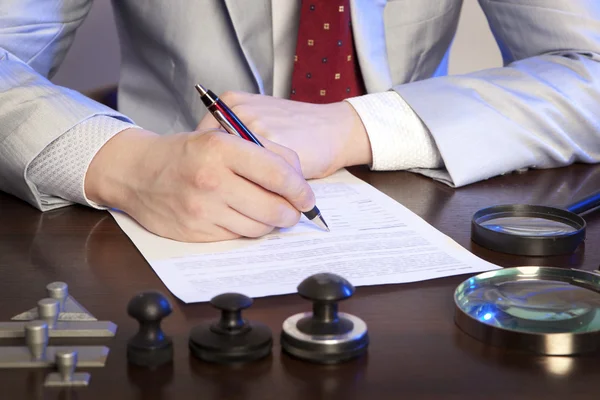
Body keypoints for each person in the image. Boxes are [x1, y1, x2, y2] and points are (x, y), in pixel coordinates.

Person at [1, 0, 599, 243]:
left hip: (417, 214)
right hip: (158, 218)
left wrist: (355, 126)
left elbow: (592, 66)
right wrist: (123, 163)